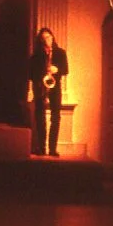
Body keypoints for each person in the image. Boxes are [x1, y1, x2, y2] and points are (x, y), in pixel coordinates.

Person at [29, 27, 68, 157]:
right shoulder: (36, 56)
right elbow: (30, 74)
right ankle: (41, 148)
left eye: (49, 36)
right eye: (44, 38)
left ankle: (52, 149)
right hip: (40, 87)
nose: (48, 39)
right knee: (40, 117)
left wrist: (57, 69)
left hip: (55, 87)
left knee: (55, 117)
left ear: (53, 37)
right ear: (41, 40)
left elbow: (66, 70)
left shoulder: (60, 53)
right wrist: (41, 73)